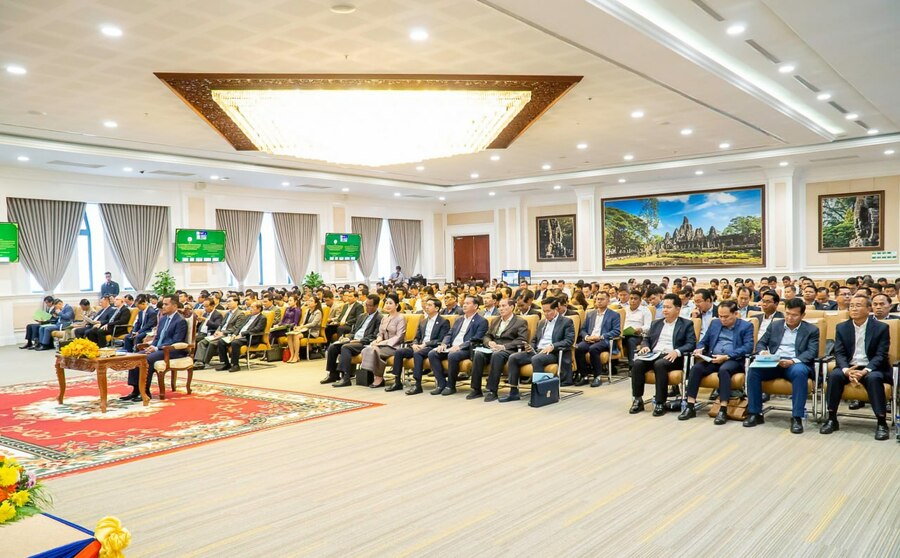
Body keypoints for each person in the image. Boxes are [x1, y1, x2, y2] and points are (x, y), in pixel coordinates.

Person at [820, 295, 892, 440]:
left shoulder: (881, 328)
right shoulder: (842, 327)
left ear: (868, 309)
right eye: (851, 305)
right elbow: (839, 353)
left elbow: (881, 355)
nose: (853, 308)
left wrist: (865, 371)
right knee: (834, 376)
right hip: (849, 367)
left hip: (872, 368)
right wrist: (846, 370)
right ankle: (832, 418)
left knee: (874, 378)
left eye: (858, 305)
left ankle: (881, 422)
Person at [743, 298, 820, 434]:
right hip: (774, 362)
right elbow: (761, 343)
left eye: (794, 315)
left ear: (802, 315)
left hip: (795, 363)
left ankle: (797, 417)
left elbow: (811, 352)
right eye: (787, 313)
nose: (789, 318)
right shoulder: (775, 325)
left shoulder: (811, 330)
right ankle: (755, 413)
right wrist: (763, 352)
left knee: (800, 372)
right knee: (754, 370)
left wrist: (793, 361)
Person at [679, 300, 754, 425]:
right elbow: (704, 341)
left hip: (733, 359)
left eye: (726, 317)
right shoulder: (715, 323)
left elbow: (748, 347)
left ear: (735, 314)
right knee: (696, 368)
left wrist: (726, 356)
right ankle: (690, 405)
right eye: (720, 316)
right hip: (713, 358)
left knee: (724, 370)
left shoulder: (746, 326)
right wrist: (700, 348)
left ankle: (723, 408)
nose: (722, 319)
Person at [629, 294, 696, 416]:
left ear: (678, 309)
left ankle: (660, 402)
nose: (665, 310)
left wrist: (677, 351)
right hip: (654, 354)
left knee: (660, 364)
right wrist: (645, 346)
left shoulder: (686, 324)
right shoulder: (656, 323)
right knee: (638, 363)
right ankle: (637, 400)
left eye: (668, 307)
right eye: (664, 307)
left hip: (673, 356)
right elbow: (646, 339)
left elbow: (691, 344)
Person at [500, 297, 574, 402]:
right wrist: (530, 346)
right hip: (537, 351)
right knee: (513, 357)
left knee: (536, 359)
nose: (546, 314)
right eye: (544, 311)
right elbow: (535, 339)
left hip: (553, 352)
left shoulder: (566, 322)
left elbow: (569, 341)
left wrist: (553, 346)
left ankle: (539, 394)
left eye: (548, 311)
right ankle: (513, 392)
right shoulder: (541, 322)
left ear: (556, 309)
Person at [120, 295, 186, 401]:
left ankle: (145, 391)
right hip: (159, 348)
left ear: (174, 306)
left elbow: (176, 340)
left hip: (172, 351)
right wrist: (152, 346)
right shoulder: (163, 319)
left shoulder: (180, 321)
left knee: (147, 359)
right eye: (163, 304)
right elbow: (158, 337)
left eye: (166, 304)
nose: (163, 306)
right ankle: (136, 390)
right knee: (135, 357)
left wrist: (156, 348)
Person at [384, 298, 449, 394]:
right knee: (399, 352)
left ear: (437, 308)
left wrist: (425, 344)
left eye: (429, 305)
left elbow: (440, 340)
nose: (426, 307)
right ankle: (397, 382)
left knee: (417, 353)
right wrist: (414, 344)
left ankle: (417, 385)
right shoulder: (423, 321)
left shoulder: (443, 322)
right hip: (419, 346)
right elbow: (417, 337)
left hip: (431, 347)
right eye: (426, 304)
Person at [469, 297, 529, 401]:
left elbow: (521, 339)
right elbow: (487, 335)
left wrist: (504, 347)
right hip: (493, 347)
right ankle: (476, 389)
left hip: (508, 349)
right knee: (478, 354)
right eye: (499, 306)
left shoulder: (520, 321)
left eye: (503, 306)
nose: (500, 308)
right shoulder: (495, 320)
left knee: (497, 355)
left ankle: (492, 390)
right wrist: (489, 342)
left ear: (512, 307)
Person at [427, 295, 488, 395]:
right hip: (452, 347)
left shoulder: (482, 321)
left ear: (475, 306)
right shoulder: (459, 319)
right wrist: (444, 344)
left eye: (468, 303)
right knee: (432, 354)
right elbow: (449, 334)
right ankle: (441, 384)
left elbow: (476, 339)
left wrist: (459, 347)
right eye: (464, 303)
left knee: (453, 355)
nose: (464, 305)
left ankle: (451, 386)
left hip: (466, 349)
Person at [327, 295, 383, 387]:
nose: (367, 307)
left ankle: (346, 377)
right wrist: (348, 338)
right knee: (333, 347)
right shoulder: (362, 316)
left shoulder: (379, 318)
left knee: (345, 347)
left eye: (369, 305)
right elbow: (354, 331)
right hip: (353, 341)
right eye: (366, 305)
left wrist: (359, 340)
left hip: (365, 343)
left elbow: (374, 336)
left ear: (376, 306)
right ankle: (332, 374)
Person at [359, 293, 407, 388]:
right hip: (382, 345)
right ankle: (374, 375)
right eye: (386, 303)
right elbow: (380, 334)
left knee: (375, 350)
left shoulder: (401, 318)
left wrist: (382, 343)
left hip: (394, 346)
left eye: (390, 303)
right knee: (367, 349)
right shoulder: (384, 318)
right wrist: (377, 340)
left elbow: (399, 336)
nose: (388, 305)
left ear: (397, 305)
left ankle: (379, 377)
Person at [575, 292, 621, 388]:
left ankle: (597, 376)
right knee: (578, 348)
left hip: (604, 340)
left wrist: (600, 337)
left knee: (593, 349)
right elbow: (582, 330)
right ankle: (584, 376)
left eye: (602, 299)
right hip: (590, 339)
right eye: (598, 299)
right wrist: (587, 337)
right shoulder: (590, 314)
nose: (599, 301)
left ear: (608, 301)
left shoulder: (614, 315)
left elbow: (617, 331)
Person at [193, 296, 247, 369]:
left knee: (212, 343)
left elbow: (236, 328)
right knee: (202, 342)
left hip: (228, 334)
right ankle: (199, 361)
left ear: (236, 302)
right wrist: (217, 331)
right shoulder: (228, 313)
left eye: (230, 301)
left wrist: (223, 333)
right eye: (227, 301)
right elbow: (221, 325)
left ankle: (205, 362)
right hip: (220, 333)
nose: (228, 303)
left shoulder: (240, 314)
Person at [216, 301, 267, 372]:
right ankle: (225, 363)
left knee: (235, 342)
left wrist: (242, 334)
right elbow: (239, 327)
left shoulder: (262, 318)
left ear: (259, 309)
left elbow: (256, 329)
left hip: (251, 337)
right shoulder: (248, 316)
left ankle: (235, 364)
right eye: (250, 307)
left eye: (252, 307)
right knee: (221, 341)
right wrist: (234, 334)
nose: (250, 309)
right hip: (239, 336)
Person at [285, 297, 322, 363]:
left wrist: (302, 327)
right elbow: (303, 322)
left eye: (311, 301)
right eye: (309, 300)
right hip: (304, 330)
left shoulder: (318, 312)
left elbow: (313, 324)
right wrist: (298, 327)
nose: (309, 302)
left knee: (296, 336)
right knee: (289, 335)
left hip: (312, 331)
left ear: (316, 303)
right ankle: (292, 355)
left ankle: (296, 355)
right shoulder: (307, 311)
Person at [622, 291, 652, 367]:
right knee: (612, 339)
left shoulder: (645, 310)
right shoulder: (624, 310)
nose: (633, 301)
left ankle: (632, 366)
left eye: (635, 299)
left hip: (637, 335)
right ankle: (612, 365)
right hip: (623, 334)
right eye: (631, 298)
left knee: (631, 340)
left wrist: (641, 329)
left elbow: (649, 325)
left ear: (640, 300)